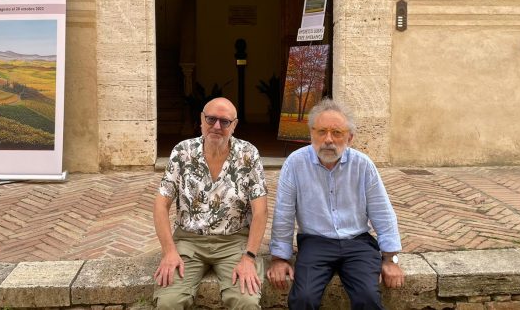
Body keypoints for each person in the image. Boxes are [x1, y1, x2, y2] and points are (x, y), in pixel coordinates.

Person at [267, 98, 404, 309]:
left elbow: (382, 212)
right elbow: (283, 214)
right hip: (315, 242)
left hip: (358, 242)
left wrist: (390, 259)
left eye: (337, 133)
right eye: (321, 132)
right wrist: (279, 258)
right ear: (311, 134)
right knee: (303, 298)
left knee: (368, 297)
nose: (328, 139)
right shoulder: (295, 163)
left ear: (350, 138)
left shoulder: (363, 165)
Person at [153, 97, 268, 309]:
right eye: (211, 119)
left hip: (234, 242)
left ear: (234, 125)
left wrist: (249, 257)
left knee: (246, 302)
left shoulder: (248, 154)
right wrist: (169, 251)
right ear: (201, 120)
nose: (216, 126)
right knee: (169, 302)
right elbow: (161, 204)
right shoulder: (182, 152)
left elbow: (260, 211)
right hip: (189, 241)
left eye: (225, 122)